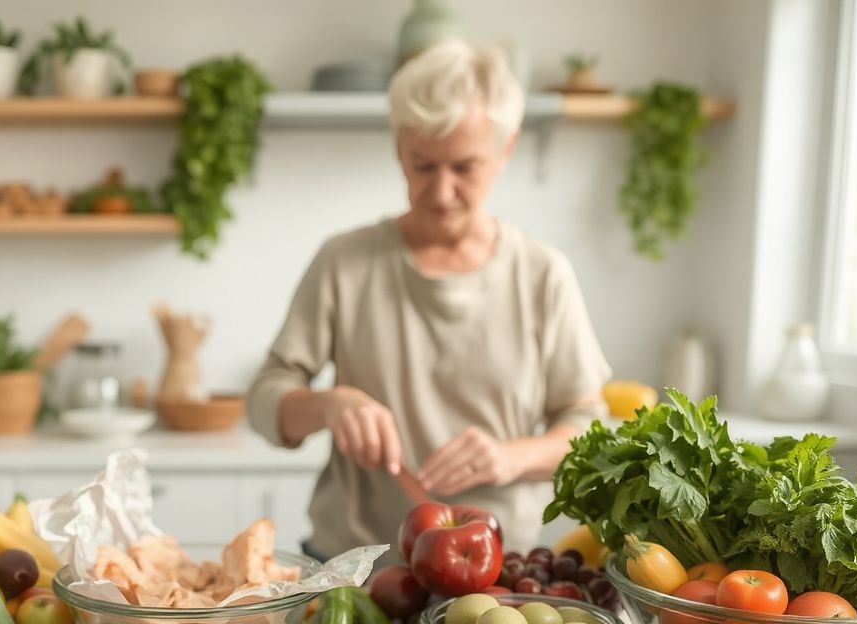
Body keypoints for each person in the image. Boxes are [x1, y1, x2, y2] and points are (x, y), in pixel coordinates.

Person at [246, 39, 611, 560]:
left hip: (497, 573)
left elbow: (588, 431)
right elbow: (264, 400)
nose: (441, 192)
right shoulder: (344, 262)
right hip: (354, 567)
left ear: (504, 150)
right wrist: (329, 405)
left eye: (464, 167)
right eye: (423, 166)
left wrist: (511, 457)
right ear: (400, 149)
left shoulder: (542, 274)